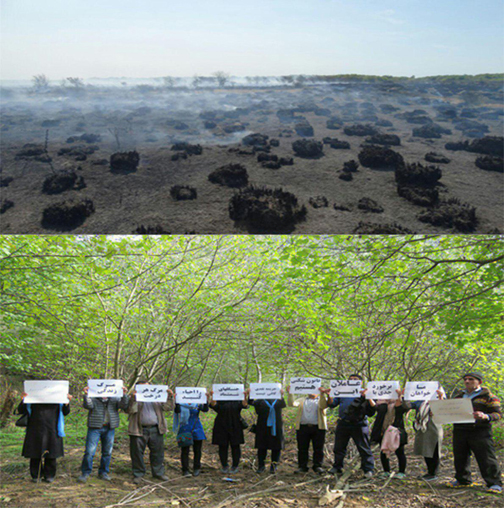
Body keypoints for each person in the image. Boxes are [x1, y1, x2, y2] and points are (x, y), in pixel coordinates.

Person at [447, 372, 502, 494]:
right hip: (460, 430)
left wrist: (485, 416)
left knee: (486, 457)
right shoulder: (459, 396)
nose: (467, 381)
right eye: (465, 379)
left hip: (480, 431)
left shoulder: (489, 397)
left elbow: (498, 414)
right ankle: (462, 480)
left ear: (479, 382)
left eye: (471, 379)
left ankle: (494, 483)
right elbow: (450, 411)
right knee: (460, 456)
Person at [323, 374, 374, 478]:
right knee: (339, 447)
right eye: (350, 380)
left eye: (355, 380)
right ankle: (337, 467)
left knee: (364, 447)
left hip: (359, 424)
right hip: (343, 423)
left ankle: (368, 469)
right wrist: (329, 395)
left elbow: (372, 410)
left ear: (360, 382)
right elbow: (332, 404)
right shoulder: (342, 392)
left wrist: (367, 396)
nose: (352, 381)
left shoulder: (365, 392)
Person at [78, 383, 130, 482]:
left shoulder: (115, 397)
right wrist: (86, 395)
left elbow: (123, 405)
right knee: (89, 452)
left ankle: (103, 472)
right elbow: (88, 405)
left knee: (107, 452)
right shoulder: (94, 397)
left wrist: (124, 395)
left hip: (110, 428)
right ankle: (85, 473)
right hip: (95, 427)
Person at [18, 391, 73, 482]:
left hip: (53, 428)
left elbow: (65, 412)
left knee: (51, 452)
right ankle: (36, 476)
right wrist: (23, 399)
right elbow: (21, 410)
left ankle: (49, 476)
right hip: (35, 428)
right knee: (35, 452)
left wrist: (67, 403)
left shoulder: (57, 397)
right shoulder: (33, 397)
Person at [127, 381, 174, 484]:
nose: (146, 390)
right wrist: (134, 398)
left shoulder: (157, 397)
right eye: (143, 388)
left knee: (158, 452)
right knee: (137, 453)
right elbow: (130, 410)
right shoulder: (134, 398)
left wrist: (169, 397)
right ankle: (138, 474)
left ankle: (158, 473)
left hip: (156, 429)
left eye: (148, 387)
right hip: (138, 430)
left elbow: (168, 408)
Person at [369, 388, 410, 479]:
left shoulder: (401, 401)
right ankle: (386, 471)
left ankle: (401, 472)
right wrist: (368, 396)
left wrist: (399, 396)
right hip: (383, 430)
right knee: (383, 450)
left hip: (396, 431)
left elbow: (400, 408)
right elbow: (374, 407)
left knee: (400, 452)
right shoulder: (381, 402)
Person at [287, 385, 329, 474]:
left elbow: (323, 406)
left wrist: (322, 394)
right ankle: (302, 467)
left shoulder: (322, 399)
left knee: (318, 448)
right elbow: (292, 404)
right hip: (303, 427)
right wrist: (290, 393)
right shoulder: (302, 400)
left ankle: (317, 466)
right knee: (302, 448)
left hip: (318, 428)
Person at [209, 387, 249, 474]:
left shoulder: (237, 399)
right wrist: (213, 396)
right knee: (222, 446)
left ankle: (235, 466)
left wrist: (245, 396)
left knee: (235, 446)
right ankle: (224, 466)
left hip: (235, 424)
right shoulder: (219, 399)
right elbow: (213, 405)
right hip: (221, 424)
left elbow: (245, 405)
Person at [408, 387, 445, 482]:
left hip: (435, 428)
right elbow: (407, 406)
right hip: (422, 428)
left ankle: (434, 473)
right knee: (426, 450)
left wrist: (440, 396)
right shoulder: (420, 401)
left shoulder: (440, 400)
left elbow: (444, 410)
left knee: (435, 450)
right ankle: (430, 472)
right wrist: (404, 395)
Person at [249, 389, 286, 473]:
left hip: (276, 426)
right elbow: (251, 402)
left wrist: (281, 395)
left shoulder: (278, 400)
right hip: (262, 426)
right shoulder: (260, 400)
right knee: (262, 446)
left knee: (276, 447)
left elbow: (283, 404)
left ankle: (274, 466)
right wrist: (250, 393)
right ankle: (261, 466)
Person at [173, 392, 210, 477]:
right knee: (185, 450)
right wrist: (176, 400)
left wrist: (206, 399)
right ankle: (185, 469)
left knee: (197, 450)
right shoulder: (180, 404)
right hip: (184, 428)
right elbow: (177, 410)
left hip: (196, 428)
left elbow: (205, 409)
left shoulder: (197, 404)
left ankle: (196, 468)